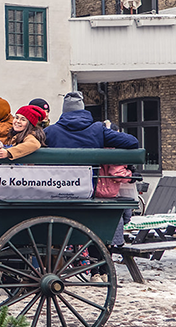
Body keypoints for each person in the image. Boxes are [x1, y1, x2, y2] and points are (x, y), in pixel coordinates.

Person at [44, 91, 139, 282]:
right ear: (82, 109)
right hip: (89, 192)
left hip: (58, 193)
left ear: (64, 111)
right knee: (97, 225)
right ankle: (100, 270)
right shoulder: (97, 130)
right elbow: (132, 142)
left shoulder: (51, 132)